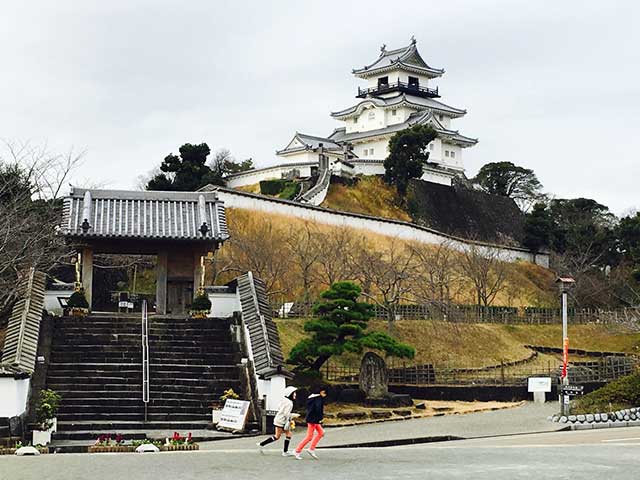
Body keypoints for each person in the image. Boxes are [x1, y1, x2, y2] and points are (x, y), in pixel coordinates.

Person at [257, 386, 299, 456]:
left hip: (278, 419)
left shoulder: (284, 400)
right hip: (281, 421)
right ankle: (285, 452)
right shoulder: (289, 403)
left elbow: (280, 408)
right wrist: (294, 415)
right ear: (290, 394)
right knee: (285, 435)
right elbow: (286, 414)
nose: (295, 394)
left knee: (278, 436)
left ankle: (261, 444)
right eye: (294, 393)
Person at [294, 385, 327, 460]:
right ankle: (297, 450)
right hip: (314, 420)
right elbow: (318, 410)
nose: (325, 395)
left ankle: (311, 449)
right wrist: (320, 418)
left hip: (312, 419)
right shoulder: (318, 399)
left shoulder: (312, 397)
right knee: (309, 437)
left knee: (321, 433)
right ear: (322, 392)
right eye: (325, 393)